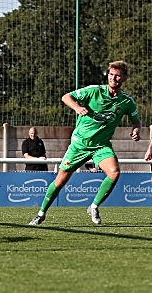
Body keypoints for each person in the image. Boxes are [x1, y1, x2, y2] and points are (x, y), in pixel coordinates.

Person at [29, 61, 141, 226]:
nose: (113, 78)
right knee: (60, 181)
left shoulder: (126, 102)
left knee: (114, 173)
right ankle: (41, 213)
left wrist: (136, 130)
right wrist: (77, 108)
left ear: (124, 78)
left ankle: (93, 206)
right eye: (111, 74)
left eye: (117, 75)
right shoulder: (94, 91)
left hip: (101, 146)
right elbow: (66, 97)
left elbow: (136, 122)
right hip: (79, 145)